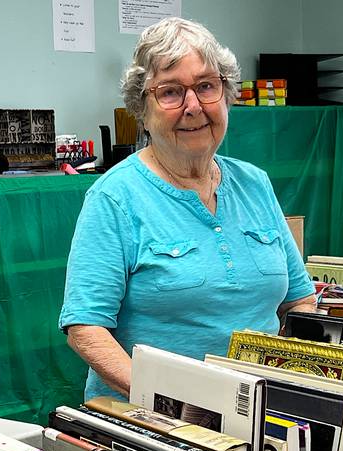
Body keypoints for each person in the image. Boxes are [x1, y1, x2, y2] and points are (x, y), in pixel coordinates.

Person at [60, 17, 316, 401]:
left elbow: (300, 301)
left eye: (206, 86)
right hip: (157, 422)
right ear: (142, 108)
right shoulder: (114, 197)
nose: (193, 106)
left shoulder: (255, 184)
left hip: (258, 411)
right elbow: (86, 329)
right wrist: (171, 399)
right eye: (170, 92)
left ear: (226, 95)